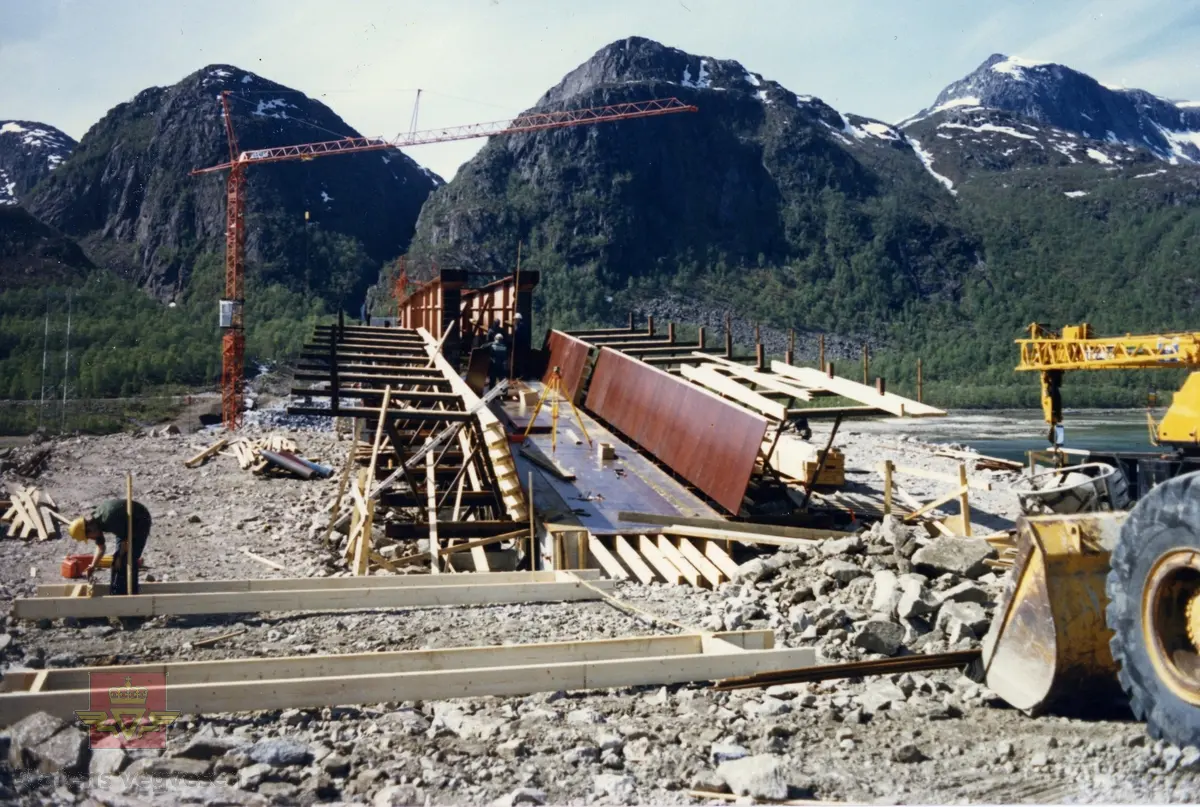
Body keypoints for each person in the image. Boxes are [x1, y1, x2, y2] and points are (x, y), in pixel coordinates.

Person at [67, 499, 152, 595]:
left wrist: (120, 557)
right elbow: (101, 548)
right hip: (124, 524)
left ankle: (131, 594)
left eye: (88, 537)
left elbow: (126, 541)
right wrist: (93, 566)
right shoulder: (95, 524)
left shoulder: (109, 519)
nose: (91, 539)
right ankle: (117, 594)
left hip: (139, 520)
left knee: (128, 560)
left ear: (89, 529)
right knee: (116, 562)